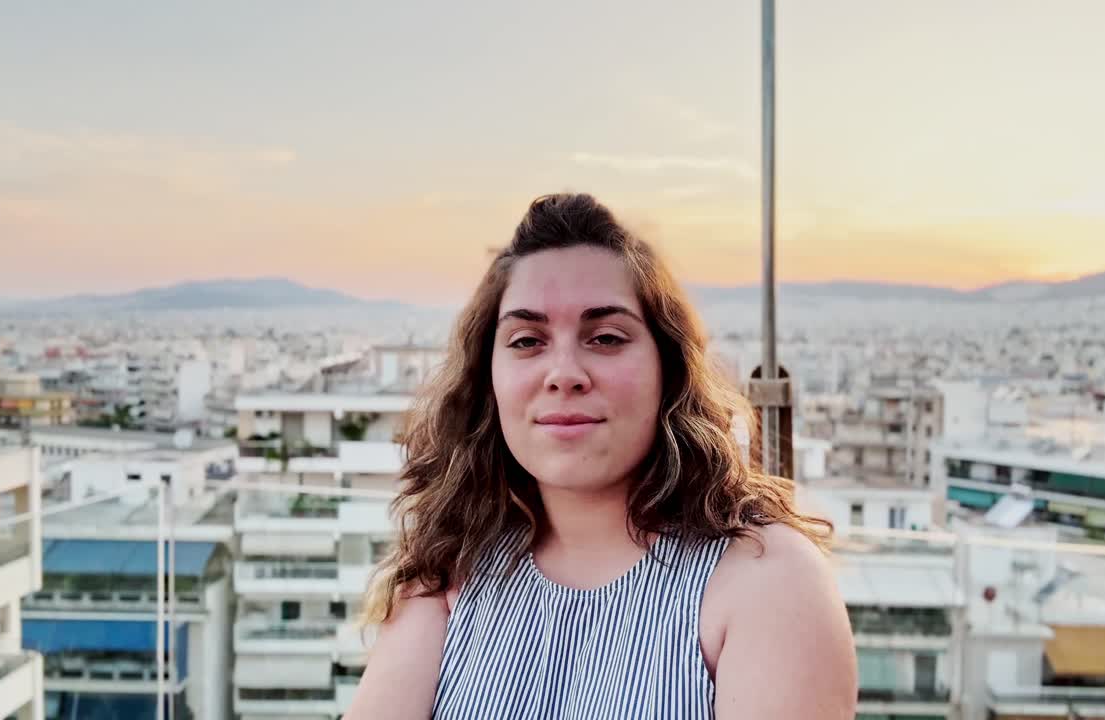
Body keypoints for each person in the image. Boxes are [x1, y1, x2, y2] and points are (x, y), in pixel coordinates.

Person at [345, 193, 857, 719]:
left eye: (606, 337)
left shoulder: (764, 579)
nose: (564, 372)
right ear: (488, 377)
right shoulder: (452, 574)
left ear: (669, 369)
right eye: (526, 340)